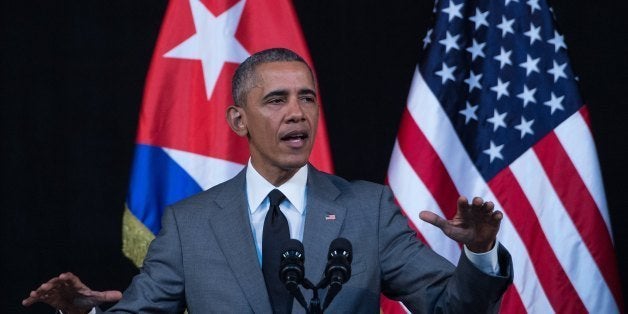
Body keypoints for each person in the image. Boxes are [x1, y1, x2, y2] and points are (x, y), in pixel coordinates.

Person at [22, 48, 512, 313]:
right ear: (239, 120)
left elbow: (452, 311)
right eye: (276, 100)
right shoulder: (190, 223)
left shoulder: (369, 209)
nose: (297, 113)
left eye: (308, 98)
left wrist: (481, 252)